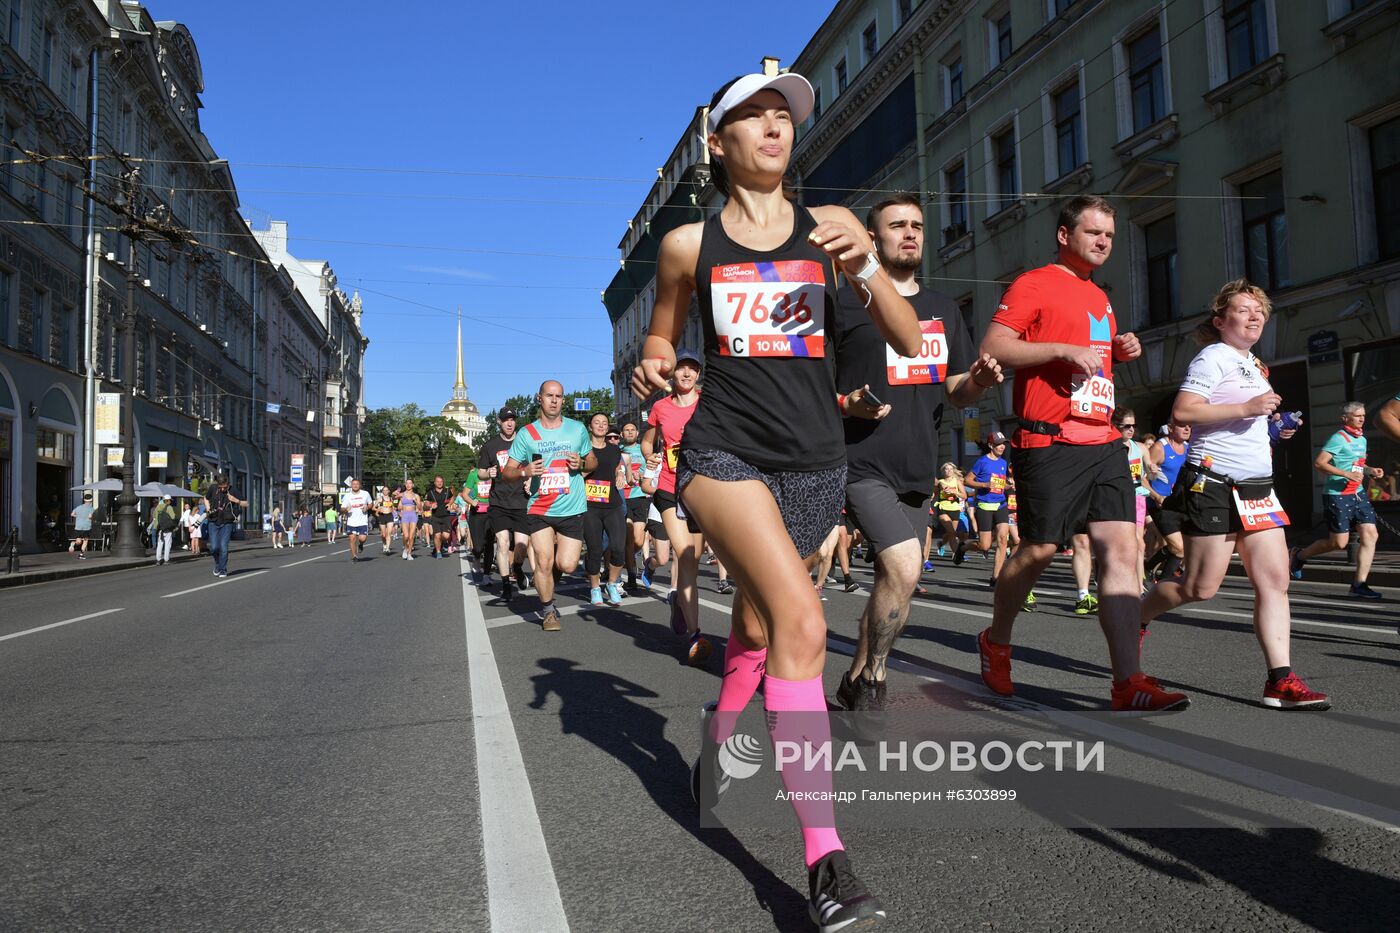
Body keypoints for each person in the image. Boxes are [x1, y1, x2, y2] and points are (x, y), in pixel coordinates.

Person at [632, 71, 919, 931]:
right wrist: (651, 357)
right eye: (752, 117)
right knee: (799, 623)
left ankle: (721, 746)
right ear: (718, 145)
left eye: (784, 116)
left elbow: (907, 341)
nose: (773, 126)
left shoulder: (834, 233)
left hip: (816, 465)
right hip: (723, 454)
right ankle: (826, 862)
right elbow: (663, 326)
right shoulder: (689, 245)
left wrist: (865, 260)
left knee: (757, 628)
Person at [976, 194, 1185, 711]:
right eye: (1093, 233)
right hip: (1049, 439)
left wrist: (1119, 350)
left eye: (1109, 236)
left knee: (1124, 550)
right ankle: (996, 640)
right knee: (1041, 550)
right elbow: (996, 347)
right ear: (1065, 236)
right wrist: (1060, 350)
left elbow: (1091, 360)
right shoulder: (1035, 283)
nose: (1103, 242)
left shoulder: (1100, 296)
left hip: (1103, 439)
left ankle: (1126, 682)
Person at [829, 190, 997, 713]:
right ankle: (876, 677)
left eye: (918, 226)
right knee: (904, 565)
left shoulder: (943, 309)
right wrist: (844, 402)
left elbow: (955, 390)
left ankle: (856, 674)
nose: (910, 233)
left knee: (897, 579)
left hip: (917, 464)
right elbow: (809, 386)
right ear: (873, 238)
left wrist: (981, 383)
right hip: (859, 459)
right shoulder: (842, 303)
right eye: (897, 225)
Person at [1140, 279, 1329, 709]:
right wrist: (1247, 409)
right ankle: (1134, 616)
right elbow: (1185, 411)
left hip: (1258, 487)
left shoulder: (1255, 365)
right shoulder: (1213, 357)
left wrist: (1272, 429)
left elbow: (1240, 423)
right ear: (1221, 321)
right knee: (1200, 588)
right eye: (1244, 309)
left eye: (1259, 309)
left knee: (1276, 581)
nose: (1255, 315)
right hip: (1213, 484)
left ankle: (1280, 681)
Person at [501, 380, 596, 631]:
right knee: (543, 560)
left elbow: (593, 461)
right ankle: (548, 610)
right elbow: (507, 471)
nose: (554, 400)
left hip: (571, 507)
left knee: (567, 565)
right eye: (549, 395)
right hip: (539, 508)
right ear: (539, 398)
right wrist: (525, 471)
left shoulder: (577, 430)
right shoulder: (527, 434)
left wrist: (583, 465)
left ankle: (547, 580)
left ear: (563, 400)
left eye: (559, 396)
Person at [642, 348, 713, 664]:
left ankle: (677, 601)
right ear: (673, 374)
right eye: (681, 368)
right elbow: (648, 440)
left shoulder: (709, 405)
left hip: (700, 489)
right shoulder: (660, 407)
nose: (686, 373)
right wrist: (650, 454)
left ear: (698, 374)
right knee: (683, 553)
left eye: (692, 369)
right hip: (669, 488)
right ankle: (696, 634)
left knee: (693, 563)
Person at [1289, 402, 1385, 599]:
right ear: (1345, 418)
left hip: (1358, 494)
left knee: (1371, 535)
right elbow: (1319, 463)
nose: (1361, 419)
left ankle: (1359, 584)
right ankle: (1299, 555)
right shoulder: (1338, 439)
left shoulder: (1362, 440)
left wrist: (1370, 470)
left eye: (1363, 415)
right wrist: (1345, 474)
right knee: (1339, 543)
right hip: (1337, 495)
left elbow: (1358, 464)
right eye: (1357, 416)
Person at [478, 408, 532, 598]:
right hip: (499, 502)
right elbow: (480, 472)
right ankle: (506, 584)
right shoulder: (490, 445)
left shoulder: (525, 442)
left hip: (521, 501)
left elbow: (535, 465)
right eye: (505, 420)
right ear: (499, 422)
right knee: (502, 543)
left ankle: (517, 567)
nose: (509, 423)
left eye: (512, 420)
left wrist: (530, 480)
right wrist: (488, 473)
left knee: (521, 546)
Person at [582, 412, 629, 607]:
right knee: (595, 550)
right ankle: (594, 588)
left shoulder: (614, 449)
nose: (601, 426)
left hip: (613, 504)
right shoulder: (583, 449)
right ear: (590, 427)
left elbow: (617, 467)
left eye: (604, 423)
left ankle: (611, 583)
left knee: (618, 548)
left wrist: (620, 473)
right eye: (597, 423)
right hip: (590, 506)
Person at [955, 433, 1012, 586]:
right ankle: (963, 547)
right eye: (999, 444)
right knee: (984, 546)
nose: (1002, 446)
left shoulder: (1003, 463)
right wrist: (985, 485)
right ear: (991, 445)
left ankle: (996, 577)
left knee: (1002, 541)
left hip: (1001, 504)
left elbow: (1002, 483)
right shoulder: (982, 461)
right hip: (984, 506)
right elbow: (967, 480)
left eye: (1003, 443)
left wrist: (1007, 486)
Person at [1113, 407, 1155, 592]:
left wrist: (1153, 471)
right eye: (1126, 426)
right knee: (1118, 542)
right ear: (1116, 427)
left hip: (1137, 496)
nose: (1131, 430)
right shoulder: (1110, 448)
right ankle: (1112, 576)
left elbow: (1149, 476)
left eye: (1134, 426)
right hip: (1116, 498)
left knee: (1139, 541)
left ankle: (1138, 585)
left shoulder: (1141, 448)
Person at [1145, 421, 1192, 581]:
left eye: (1189, 426)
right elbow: (1142, 478)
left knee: (1181, 547)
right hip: (1161, 505)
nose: (1187, 428)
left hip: (1179, 505)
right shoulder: (1159, 448)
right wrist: (1156, 496)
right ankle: (1163, 585)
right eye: (1183, 426)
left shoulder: (1188, 448)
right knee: (1179, 548)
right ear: (1171, 428)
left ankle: (1147, 568)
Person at [617, 419, 655, 591]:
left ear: (637, 433)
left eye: (633, 430)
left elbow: (652, 470)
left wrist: (644, 474)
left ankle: (625, 559)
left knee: (639, 541)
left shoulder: (643, 450)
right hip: (622, 498)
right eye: (626, 430)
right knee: (628, 538)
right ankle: (632, 575)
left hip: (640, 498)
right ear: (621, 434)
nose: (630, 432)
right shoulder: (617, 451)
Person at [204, 473, 244, 578]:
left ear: (228, 484)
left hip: (227, 523)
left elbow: (246, 503)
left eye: (224, 487)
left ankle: (223, 569)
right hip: (213, 521)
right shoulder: (213, 488)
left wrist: (236, 500)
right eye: (220, 487)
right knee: (214, 548)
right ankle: (218, 564)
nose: (222, 489)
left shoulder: (233, 490)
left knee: (223, 547)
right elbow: (206, 498)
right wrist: (208, 509)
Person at [340, 477, 372, 562]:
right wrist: (345, 509)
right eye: (353, 484)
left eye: (357, 484)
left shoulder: (365, 494)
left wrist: (367, 507)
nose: (355, 486)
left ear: (360, 485)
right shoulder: (347, 496)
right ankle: (354, 556)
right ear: (351, 485)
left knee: (362, 538)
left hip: (362, 521)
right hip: (351, 521)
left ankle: (361, 545)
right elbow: (342, 508)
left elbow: (370, 504)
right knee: (352, 539)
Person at [150, 495, 178, 565]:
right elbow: (173, 517)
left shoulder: (158, 507)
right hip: (168, 528)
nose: (170, 501)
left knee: (160, 544)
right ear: (168, 500)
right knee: (168, 543)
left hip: (160, 528)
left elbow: (154, 516)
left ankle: (158, 560)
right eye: (170, 500)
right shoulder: (169, 507)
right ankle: (166, 559)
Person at [397, 480, 421, 560]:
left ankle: (409, 553)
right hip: (405, 515)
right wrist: (399, 510)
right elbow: (398, 505)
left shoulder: (416, 495)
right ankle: (405, 548)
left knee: (411, 536)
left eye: (410, 483)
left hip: (413, 515)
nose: (408, 485)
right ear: (405, 485)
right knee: (406, 536)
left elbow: (420, 507)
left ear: (413, 485)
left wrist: (416, 501)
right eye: (406, 483)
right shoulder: (401, 495)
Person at [70, 494, 95, 559]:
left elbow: (72, 514)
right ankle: (81, 555)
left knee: (78, 541)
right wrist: (93, 519)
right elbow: (90, 517)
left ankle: (73, 543)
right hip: (86, 527)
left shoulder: (78, 507)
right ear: (91, 501)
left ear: (84, 500)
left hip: (78, 527)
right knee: (85, 541)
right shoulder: (91, 509)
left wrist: (78, 516)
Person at [374, 487, 396, 554]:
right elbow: (373, 507)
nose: (385, 491)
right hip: (382, 516)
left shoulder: (391, 499)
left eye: (387, 490)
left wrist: (393, 511)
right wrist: (379, 510)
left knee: (389, 533)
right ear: (382, 491)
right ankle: (384, 544)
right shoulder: (380, 499)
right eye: (384, 490)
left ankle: (387, 548)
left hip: (389, 516)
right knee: (383, 535)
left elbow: (392, 508)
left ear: (389, 491)